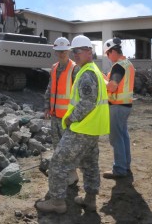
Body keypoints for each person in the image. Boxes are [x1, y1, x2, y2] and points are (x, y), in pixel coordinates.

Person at [35, 35, 110, 213]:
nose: (75, 54)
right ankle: (90, 200)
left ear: (89, 51)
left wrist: (70, 118)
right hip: (91, 128)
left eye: (78, 51)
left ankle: (57, 202)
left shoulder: (85, 73)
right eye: (74, 51)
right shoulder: (93, 70)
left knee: (58, 162)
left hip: (81, 128)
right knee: (90, 164)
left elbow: (87, 102)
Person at [43, 37, 80, 186]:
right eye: (58, 51)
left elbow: (78, 94)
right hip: (55, 115)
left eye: (63, 51)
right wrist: (47, 106)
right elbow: (50, 89)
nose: (61, 53)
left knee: (69, 148)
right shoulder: (54, 67)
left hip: (68, 117)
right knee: (57, 146)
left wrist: (75, 115)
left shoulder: (74, 69)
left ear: (68, 51)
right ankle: (60, 172)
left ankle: (72, 174)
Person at [102, 38, 136, 179]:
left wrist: (101, 81)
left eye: (108, 54)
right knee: (123, 136)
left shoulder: (118, 66)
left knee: (116, 138)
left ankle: (120, 169)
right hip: (126, 105)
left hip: (117, 106)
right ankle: (125, 165)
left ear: (113, 51)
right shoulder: (128, 64)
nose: (108, 58)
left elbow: (112, 86)